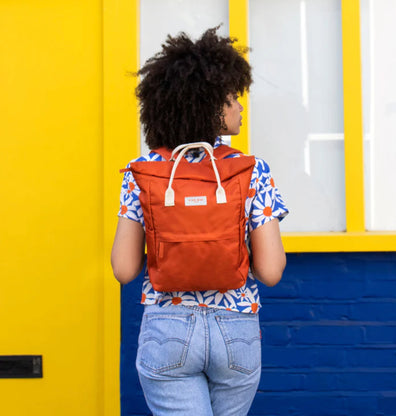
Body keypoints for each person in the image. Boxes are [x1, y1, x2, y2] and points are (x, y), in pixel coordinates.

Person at [111, 26, 288, 416]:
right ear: (209, 107)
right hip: (236, 329)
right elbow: (271, 271)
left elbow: (123, 270)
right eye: (231, 99)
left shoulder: (142, 171)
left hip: (167, 329)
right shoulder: (252, 170)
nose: (240, 106)